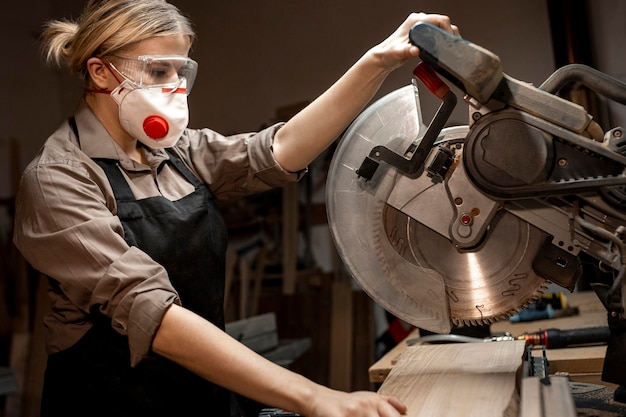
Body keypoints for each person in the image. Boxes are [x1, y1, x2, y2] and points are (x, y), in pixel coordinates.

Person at [13, 1, 458, 416]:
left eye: (180, 69)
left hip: (199, 394)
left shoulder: (175, 152)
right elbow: (154, 315)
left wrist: (377, 61)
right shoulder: (59, 179)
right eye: (156, 70)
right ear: (101, 73)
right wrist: (317, 398)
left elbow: (279, 149)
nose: (174, 85)